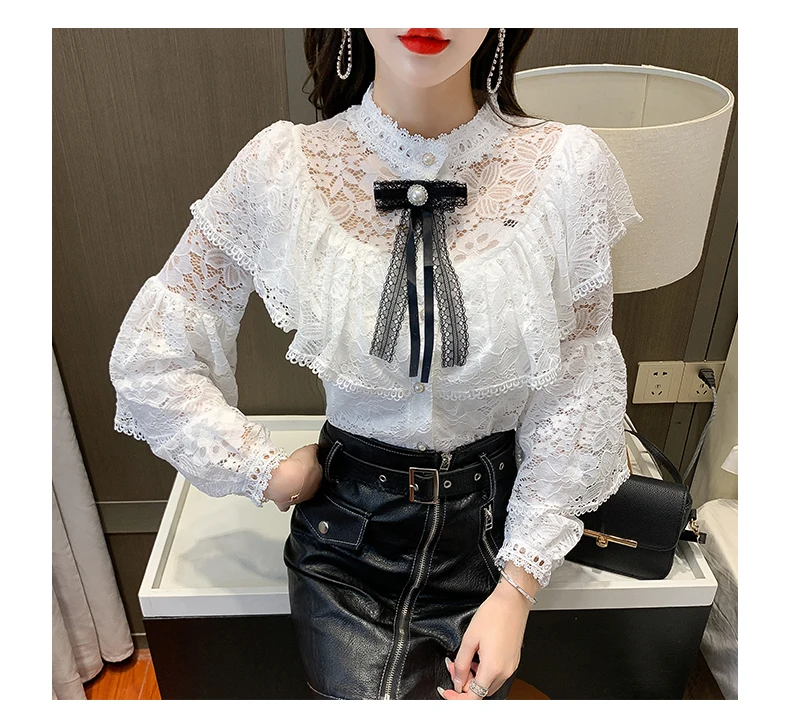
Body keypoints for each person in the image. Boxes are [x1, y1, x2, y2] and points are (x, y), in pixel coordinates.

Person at [109, 28, 643, 700]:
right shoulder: (282, 166)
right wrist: (262, 471)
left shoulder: (569, 168)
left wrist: (518, 585)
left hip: (491, 534)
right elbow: (153, 354)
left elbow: (578, 383)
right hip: (345, 538)